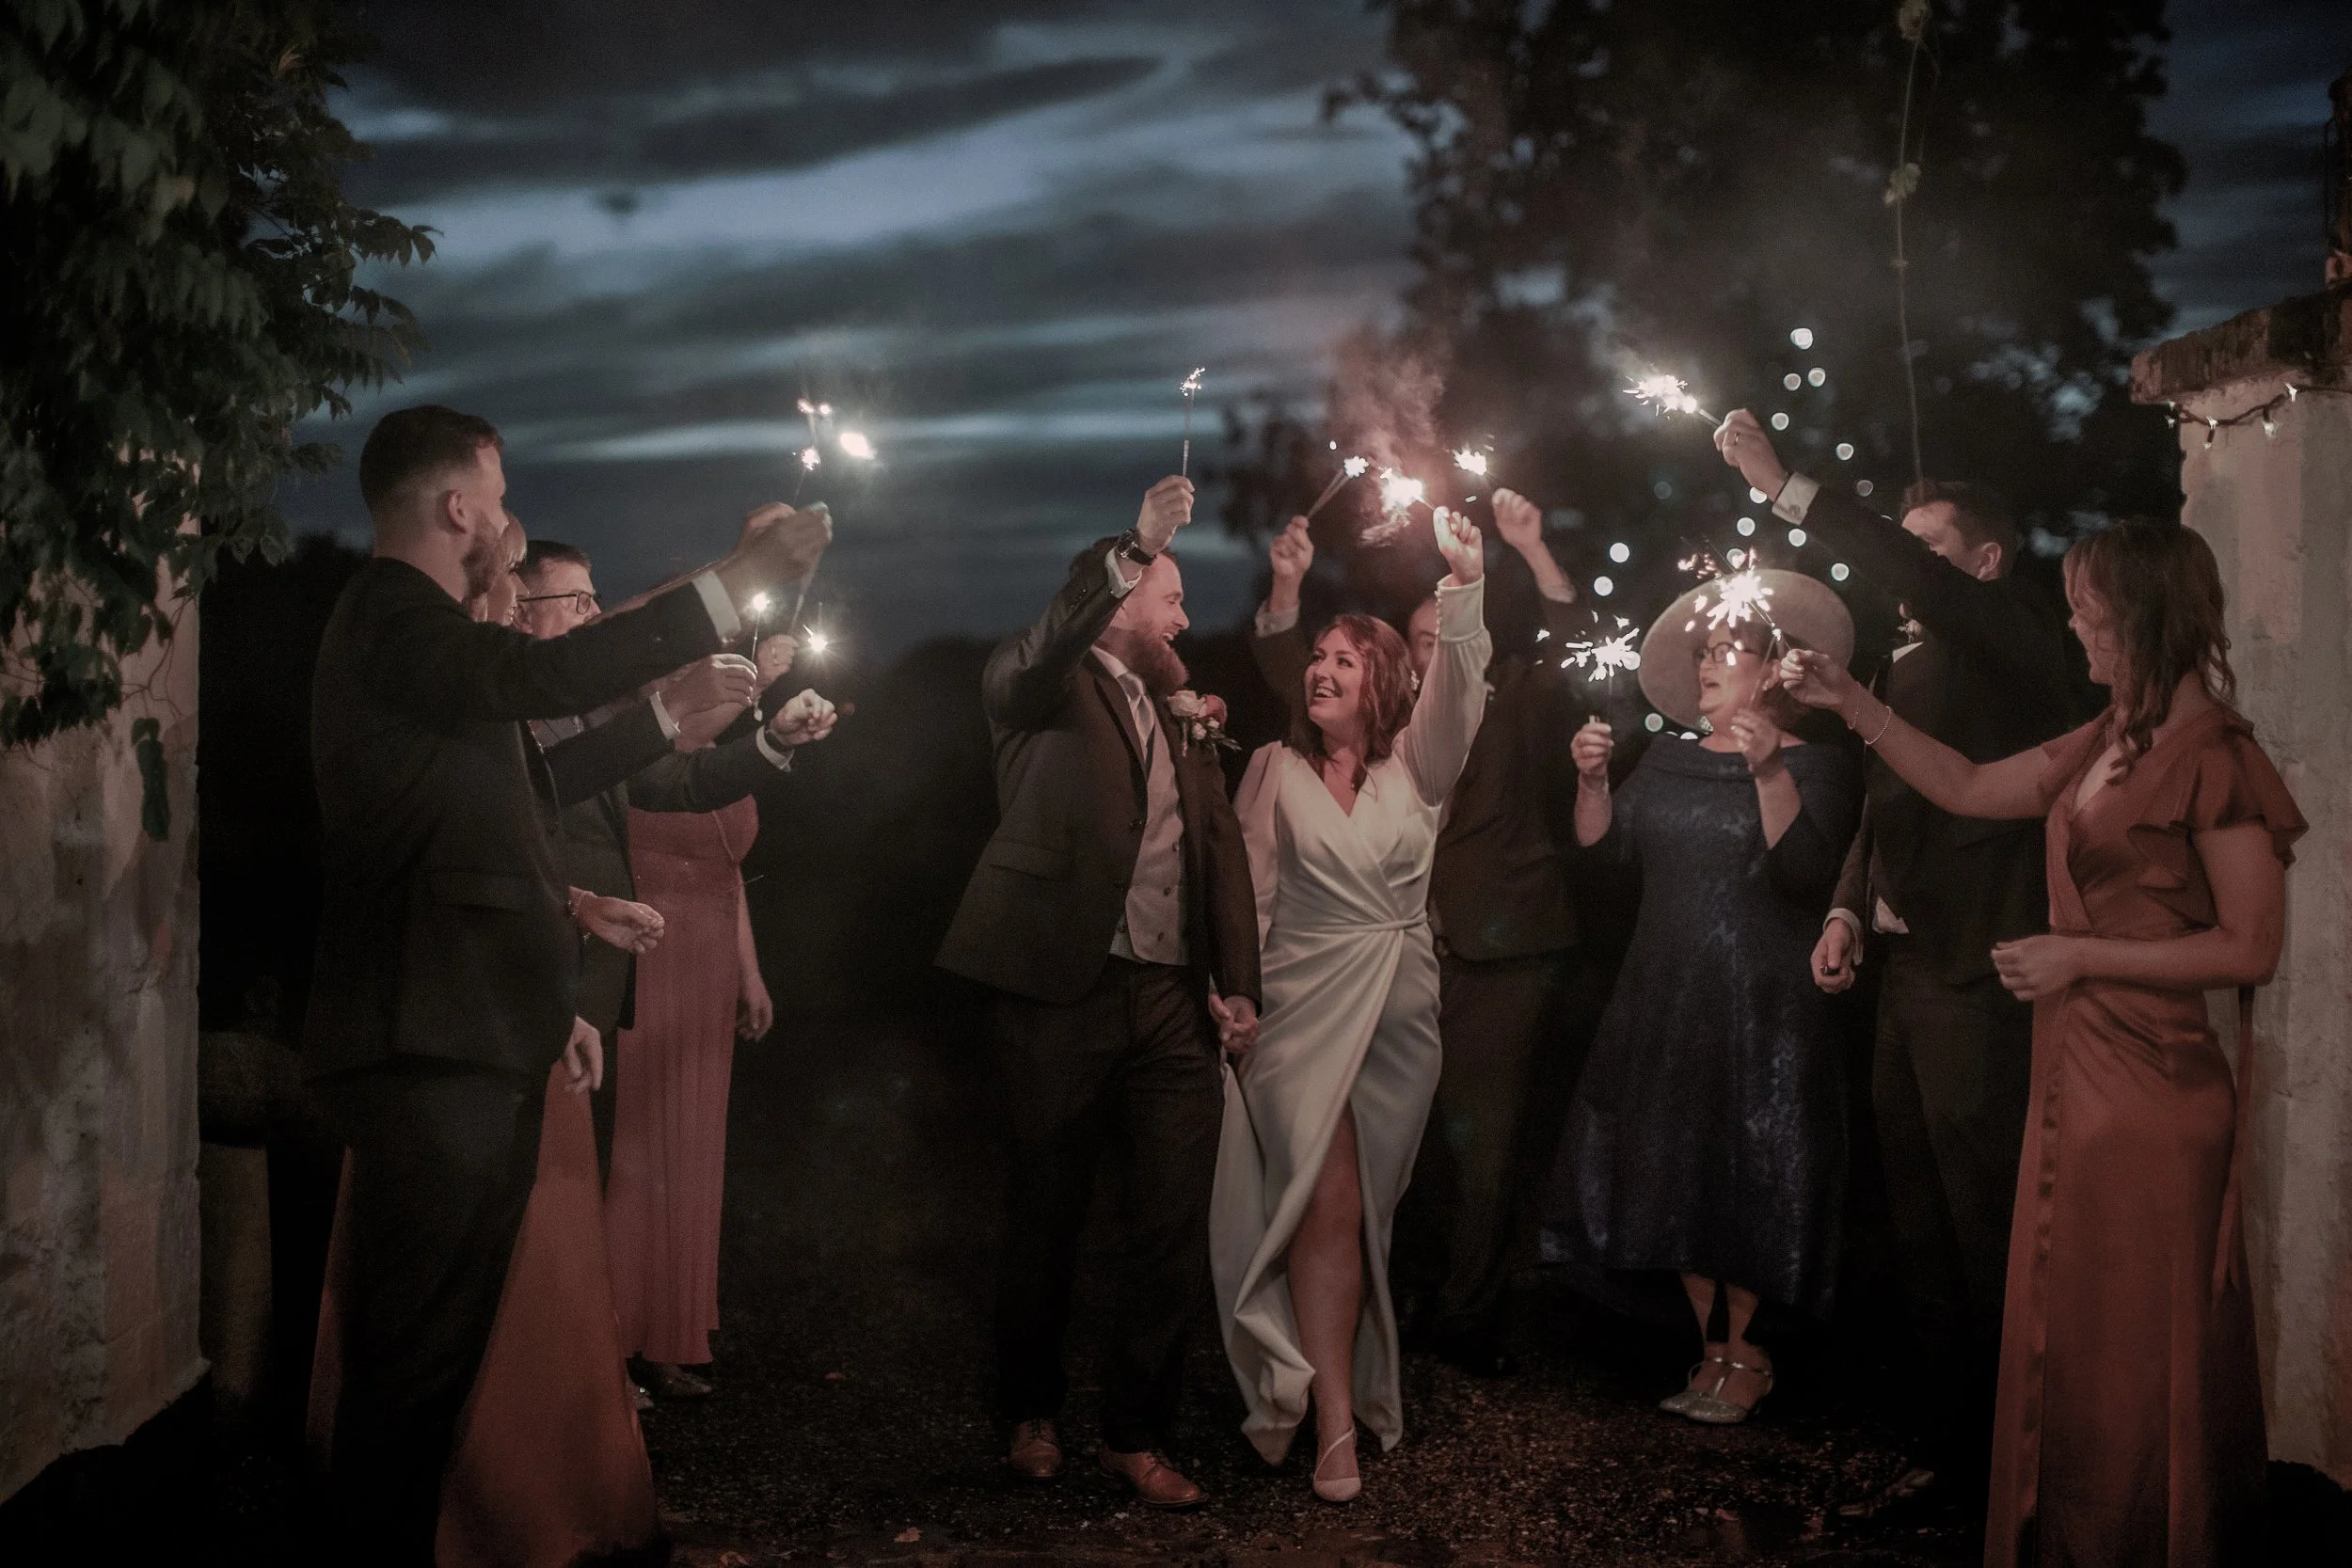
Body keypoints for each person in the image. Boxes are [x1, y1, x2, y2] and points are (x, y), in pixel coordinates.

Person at [303, 403, 832, 1564]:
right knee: (406, 1376)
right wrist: (727, 585)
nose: (504, 518)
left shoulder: (420, 650)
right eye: (493, 496)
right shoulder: (397, 617)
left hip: (472, 1033)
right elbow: (547, 673)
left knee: (432, 1370)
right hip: (426, 1045)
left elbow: (524, 805)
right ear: (456, 508)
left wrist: (654, 724)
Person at [1777, 519, 2303, 1568]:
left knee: (2129, 1343)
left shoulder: (2217, 755)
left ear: (2143, 619)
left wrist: (2081, 958)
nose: (2073, 627)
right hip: (2076, 1071)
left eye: (2089, 611)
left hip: (2153, 1089)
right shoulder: (2110, 733)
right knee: (2070, 1334)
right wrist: (1854, 705)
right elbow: (1972, 787)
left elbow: (2251, 945)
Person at [1711, 411, 2086, 1517]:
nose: (1910, 567)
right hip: (1904, 976)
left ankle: (2028, 1472)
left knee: (1987, 1232)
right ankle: (1949, 1457)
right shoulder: (1904, 656)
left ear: (1983, 562)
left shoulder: (2015, 638)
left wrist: (1791, 488)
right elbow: (1888, 796)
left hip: (1982, 972)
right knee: (1918, 1229)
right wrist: (1844, 907)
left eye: (1928, 550)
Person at [935, 476, 1263, 1512]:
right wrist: (1139, 542)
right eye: (1168, 597)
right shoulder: (1034, 678)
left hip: (1170, 996)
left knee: (1168, 1221)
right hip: (1057, 987)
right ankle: (1030, 1412)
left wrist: (1236, 984)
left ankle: (1137, 1432)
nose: (1183, 617)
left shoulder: (1186, 711)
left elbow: (1217, 849)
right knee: (1045, 1211)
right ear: (1118, 598)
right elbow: (1044, 648)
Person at [1249, 491, 1604, 1376]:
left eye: (1446, 626)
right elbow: (1293, 670)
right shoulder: (1386, 732)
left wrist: (1528, 545)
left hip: (1504, 951)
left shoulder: (1519, 694)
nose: (1432, 644)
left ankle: (1470, 1312)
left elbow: (1586, 647)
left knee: (1482, 1142)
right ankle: (1389, 1292)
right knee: (1391, 1134)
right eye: (1418, 636)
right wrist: (1287, 589)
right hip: (1396, 955)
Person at [1214, 506, 1491, 1504]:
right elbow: (1243, 902)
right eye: (1316, 654)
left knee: (1361, 1211)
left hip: (1397, 1011)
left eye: (1346, 657)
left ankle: (1330, 1384)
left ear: (1385, 681)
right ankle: (1332, 1419)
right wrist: (1234, 997)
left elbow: (1460, 692)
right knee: (1321, 1199)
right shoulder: (1269, 772)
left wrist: (1463, 581)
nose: (1324, 667)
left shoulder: (1417, 769)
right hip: (1295, 1007)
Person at [1545, 569, 1859, 1425]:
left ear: (1773, 670)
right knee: (1675, 1167)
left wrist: (1766, 771)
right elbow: (1606, 866)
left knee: (1751, 1173)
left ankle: (1749, 1351)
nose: (1713, 663)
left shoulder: (1820, 765)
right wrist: (1595, 785)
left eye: (1731, 651)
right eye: (1707, 652)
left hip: (1767, 1010)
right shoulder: (1670, 759)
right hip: (1667, 997)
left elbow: (1805, 875)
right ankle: (1709, 1346)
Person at [516, 539, 801, 1180]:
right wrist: (672, 705)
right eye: (577, 600)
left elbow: (676, 783)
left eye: (596, 598)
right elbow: (546, 789)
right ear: (519, 609)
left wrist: (772, 740)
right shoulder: (514, 717)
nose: (594, 615)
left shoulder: (589, 711)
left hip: (591, 983)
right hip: (537, 976)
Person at [603, 787, 774, 1400]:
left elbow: (729, 873)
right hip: (647, 953)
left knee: (692, 1151)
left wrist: (749, 973)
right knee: (637, 1144)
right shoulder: (645, 740)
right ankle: (609, 1349)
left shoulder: (734, 752)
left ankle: (663, 1338)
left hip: (709, 959)